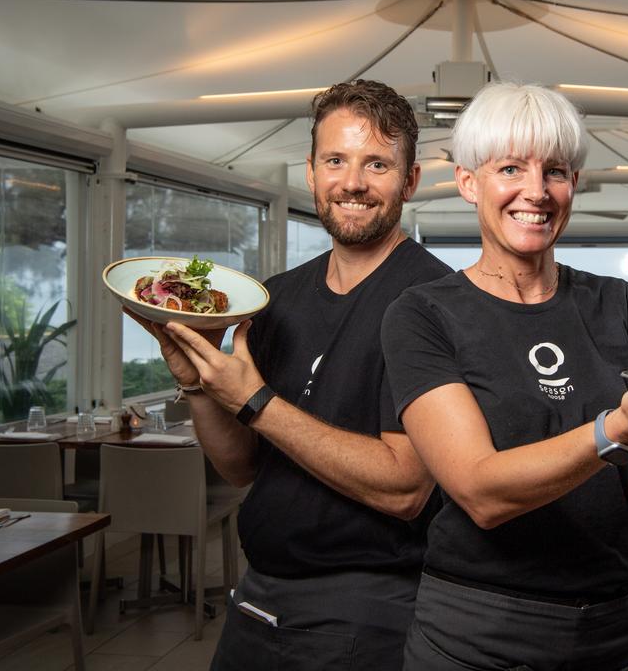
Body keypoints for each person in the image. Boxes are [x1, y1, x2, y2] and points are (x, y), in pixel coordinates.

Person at [381, 82, 628, 671]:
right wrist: (615, 427)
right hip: (480, 634)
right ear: (468, 182)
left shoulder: (620, 304)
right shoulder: (424, 313)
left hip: (614, 627)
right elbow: (481, 493)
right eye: (510, 168)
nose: (537, 192)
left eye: (556, 170)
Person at [128, 80, 451, 670]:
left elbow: (405, 488)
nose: (351, 182)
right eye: (335, 160)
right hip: (259, 596)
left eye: (376, 163)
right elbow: (241, 465)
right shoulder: (273, 299)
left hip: (366, 605)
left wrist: (255, 400)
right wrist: (198, 382)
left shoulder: (435, 301)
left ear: (409, 181)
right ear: (310, 172)